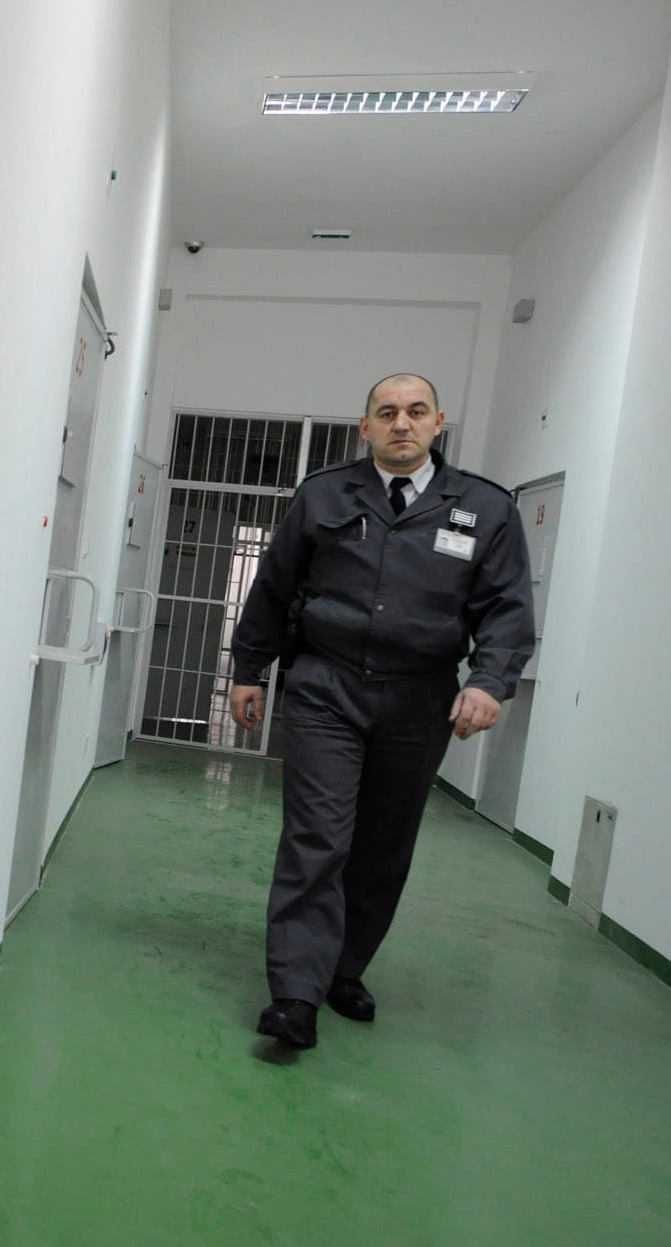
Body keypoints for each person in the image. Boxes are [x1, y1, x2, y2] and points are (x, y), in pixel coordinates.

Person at [229, 373, 535, 1050]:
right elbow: (274, 586)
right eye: (387, 412)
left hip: (420, 697)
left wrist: (490, 681)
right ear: (364, 426)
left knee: (383, 844)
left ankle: (344, 969)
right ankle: (296, 993)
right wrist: (249, 668)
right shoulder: (323, 495)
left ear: (437, 423)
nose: (402, 423)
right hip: (325, 686)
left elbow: (508, 607)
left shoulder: (485, 509)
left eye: (416, 411)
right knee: (317, 837)